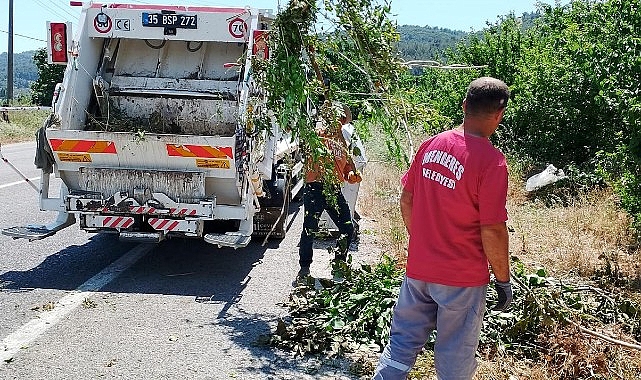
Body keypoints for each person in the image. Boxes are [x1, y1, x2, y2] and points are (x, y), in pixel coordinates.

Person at [373, 77, 513, 380]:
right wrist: (503, 280)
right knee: (454, 356)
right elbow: (492, 229)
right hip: (461, 279)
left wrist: (424, 244)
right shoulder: (492, 163)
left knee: (400, 345)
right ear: (499, 115)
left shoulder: (431, 145)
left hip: (419, 271)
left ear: (464, 106)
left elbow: (406, 199)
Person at [297, 104, 362, 281]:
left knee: (347, 228)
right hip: (315, 187)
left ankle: (339, 263)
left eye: (342, 119)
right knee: (309, 229)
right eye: (336, 117)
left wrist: (352, 175)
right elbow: (305, 142)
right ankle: (304, 268)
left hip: (333, 189)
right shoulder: (318, 135)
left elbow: (347, 170)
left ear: (343, 122)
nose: (339, 121)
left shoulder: (344, 144)